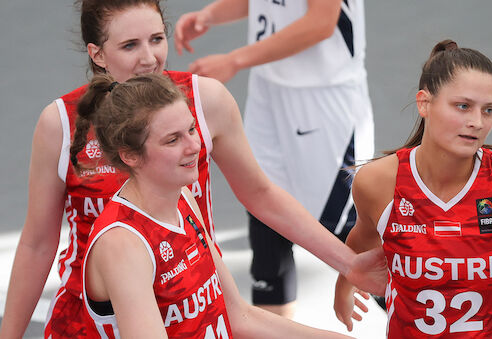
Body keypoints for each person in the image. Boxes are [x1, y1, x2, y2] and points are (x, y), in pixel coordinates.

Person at [0, 1, 385, 338]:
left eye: (156, 38)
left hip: (193, 301)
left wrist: (349, 263)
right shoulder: (62, 124)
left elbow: (261, 195)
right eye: (129, 45)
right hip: (97, 322)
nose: (149, 57)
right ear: (97, 53)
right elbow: (37, 243)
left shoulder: (203, 103)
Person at [333, 40, 492, 338]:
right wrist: (344, 283)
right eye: (463, 106)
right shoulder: (380, 182)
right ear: (424, 103)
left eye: (488, 110)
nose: (477, 122)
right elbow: (361, 240)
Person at [76, 72, 355, 338]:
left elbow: (238, 317)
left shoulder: (183, 199)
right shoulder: (123, 244)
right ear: (130, 156)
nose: (193, 146)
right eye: (173, 140)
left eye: (191, 129)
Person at [174, 0, 376, 317]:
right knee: (266, 221)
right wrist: (210, 15)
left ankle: (431, 319)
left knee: (351, 236)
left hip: (321, 99)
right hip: (268, 87)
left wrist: (235, 59)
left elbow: (322, 21)